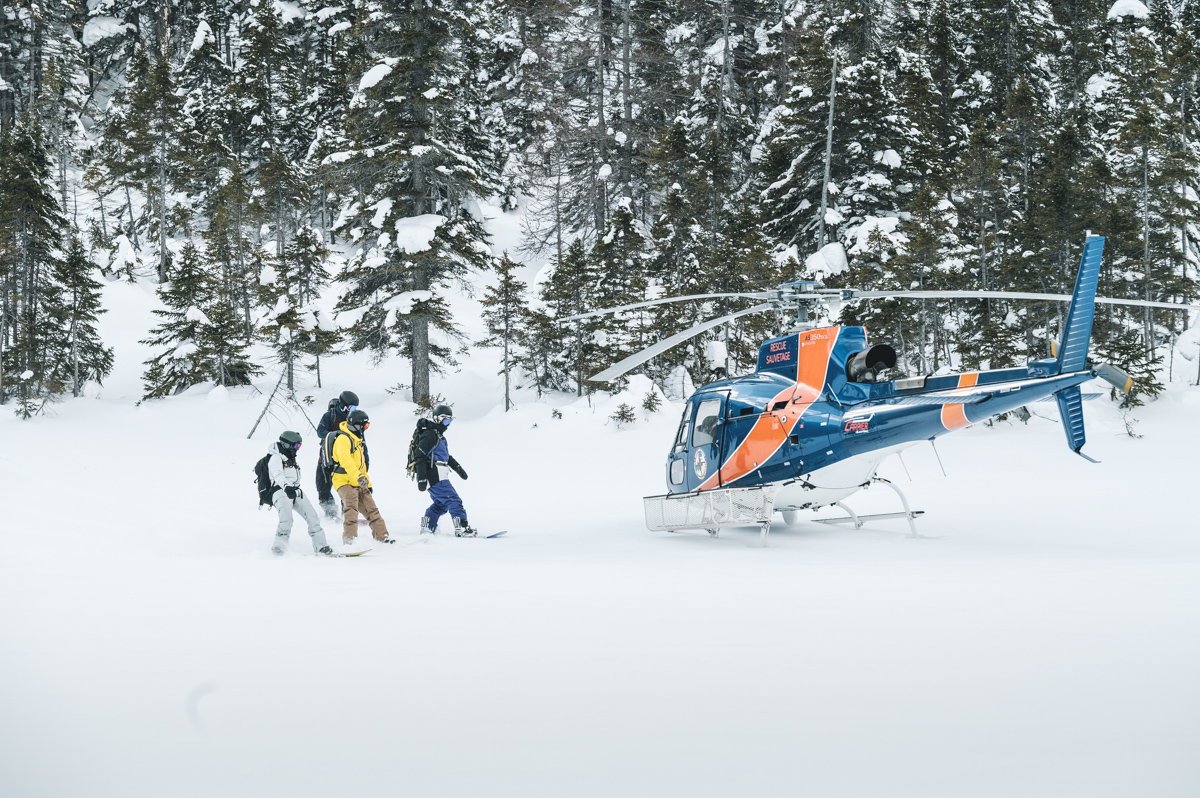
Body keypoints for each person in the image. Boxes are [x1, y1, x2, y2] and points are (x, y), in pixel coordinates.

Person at [328, 409, 393, 546]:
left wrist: (367, 484)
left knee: (372, 508)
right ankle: (349, 541)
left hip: (358, 481)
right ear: (356, 425)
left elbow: (361, 466)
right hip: (344, 481)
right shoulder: (343, 439)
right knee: (351, 509)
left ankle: (383, 537)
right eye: (364, 426)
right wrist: (359, 477)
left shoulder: (357, 441)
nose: (365, 429)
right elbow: (346, 462)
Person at [413, 404, 476, 537]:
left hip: (439, 472)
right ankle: (462, 528)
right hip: (434, 473)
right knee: (453, 500)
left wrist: (458, 469)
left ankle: (428, 526)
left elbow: (446, 457)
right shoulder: (430, 434)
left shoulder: (438, 435)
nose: (446, 424)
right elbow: (419, 455)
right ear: (436, 418)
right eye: (444, 420)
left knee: (441, 503)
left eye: (449, 421)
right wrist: (422, 478)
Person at [267, 431, 332, 556]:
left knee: (312, 516)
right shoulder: (275, 458)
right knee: (286, 520)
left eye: (299, 446)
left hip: (295, 491)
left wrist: (292, 488)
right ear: (287, 444)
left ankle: (321, 547)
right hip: (280, 491)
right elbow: (278, 475)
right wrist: (286, 487)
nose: (297, 449)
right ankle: (279, 549)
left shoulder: (290, 458)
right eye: (296, 446)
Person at [316, 390, 360, 518]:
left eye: (355, 408)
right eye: (351, 407)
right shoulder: (329, 416)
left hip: (344, 460)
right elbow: (320, 431)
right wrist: (336, 436)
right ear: (342, 404)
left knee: (346, 489)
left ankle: (347, 515)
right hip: (326, 458)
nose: (352, 410)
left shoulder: (351, 418)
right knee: (322, 488)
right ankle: (330, 514)